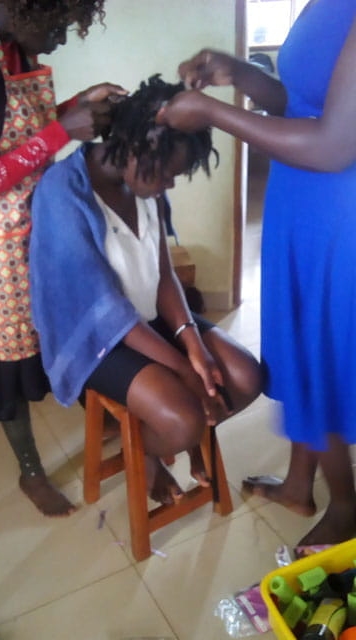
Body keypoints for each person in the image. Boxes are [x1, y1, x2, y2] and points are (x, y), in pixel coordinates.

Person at [157, 0, 356, 543]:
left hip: (339, 210)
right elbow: (304, 99)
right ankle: (298, 482)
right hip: (303, 201)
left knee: (321, 360)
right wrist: (240, 74)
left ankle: (345, 507)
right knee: (295, 344)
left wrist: (215, 114)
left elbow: (336, 143)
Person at [0, 0, 127, 517]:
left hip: (37, 219)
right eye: (58, 24)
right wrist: (66, 130)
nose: (61, 39)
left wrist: (75, 106)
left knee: (68, 325)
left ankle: (98, 416)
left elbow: (16, 131)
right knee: (8, 363)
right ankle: (31, 471)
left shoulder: (8, 38)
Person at [30, 75, 261, 503]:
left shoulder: (144, 185)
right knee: (183, 419)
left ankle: (179, 439)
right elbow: (105, 310)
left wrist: (194, 344)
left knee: (246, 377)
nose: (169, 186)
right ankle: (153, 451)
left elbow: (163, 275)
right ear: (135, 147)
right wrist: (182, 367)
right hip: (97, 338)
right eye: (167, 175)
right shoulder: (62, 192)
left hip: (146, 319)